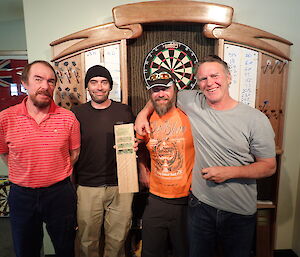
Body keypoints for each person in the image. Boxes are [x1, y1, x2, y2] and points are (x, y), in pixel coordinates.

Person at [135, 55, 276, 257]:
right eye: (203, 79)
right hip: (200, 206)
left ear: (228, 77)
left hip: (238, 211)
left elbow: (269, 166)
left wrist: (230, 172)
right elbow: (161, 95)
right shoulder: (192, 102)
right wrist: (143, 113)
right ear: (198, 84)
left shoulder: (255, 119)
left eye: (214, 76)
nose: (209, 82)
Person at [0, 60, 81, 257]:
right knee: (25, 250)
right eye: (38, 79)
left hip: (59, 194)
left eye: (51, 81)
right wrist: (28, 173)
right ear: (25, 83)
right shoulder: (4, 119)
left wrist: (53, 170)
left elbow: (75, 153)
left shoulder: (69, 118)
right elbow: (4, 153)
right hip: (22, 196)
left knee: (65, 248)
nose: (45, 86)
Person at [72, 65, 135, 257]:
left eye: (104, 82)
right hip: (88, 186)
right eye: (94, 82)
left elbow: (134, 140)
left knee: (117, 239)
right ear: (87, 87)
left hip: (122, 185)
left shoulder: (124, 111)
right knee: (87, 240)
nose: (99, 87)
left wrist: (135, 144)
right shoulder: (76, 113)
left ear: (110, 86)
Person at [137, 69, 194, 257]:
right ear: (150, 94)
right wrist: (141, 169)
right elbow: (139, 148)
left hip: (186, 200)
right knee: (150, 252)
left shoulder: (190, 116)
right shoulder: (145, 122)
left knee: (185, 252)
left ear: (175, 90)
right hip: (156, 200)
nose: (161, 94)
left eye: (166, 89)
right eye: (156, 90)